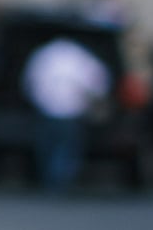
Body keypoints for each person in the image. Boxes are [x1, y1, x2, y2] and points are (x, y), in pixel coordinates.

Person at [22, 36, 110, 192]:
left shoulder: (44, 55)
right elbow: (98, 81)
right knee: (65, 147)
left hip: (47, 109)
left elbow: (29, 82)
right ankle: (59, 180)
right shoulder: (80, 57)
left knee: (49, 147)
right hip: (69, 111)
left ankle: (51, 180)